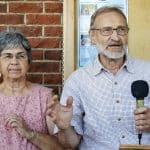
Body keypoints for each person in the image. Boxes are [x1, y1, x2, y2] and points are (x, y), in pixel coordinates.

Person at [47, 6, 150, 150]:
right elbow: (70, 144)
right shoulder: (77, 81)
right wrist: (64, 128)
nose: (115, 37)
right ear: (92, 36)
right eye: (106, 30)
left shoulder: (147, 71)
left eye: (121, 29)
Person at [0, 30, 64, 150]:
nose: (14, 62)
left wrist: (30, 133)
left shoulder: (44, 97)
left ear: (28, 63)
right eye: (8, 56)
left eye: (21, 56)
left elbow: (61, 147)